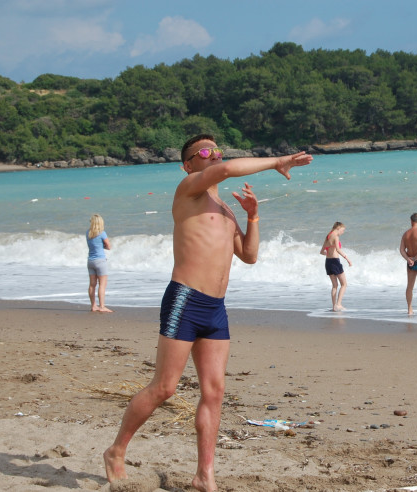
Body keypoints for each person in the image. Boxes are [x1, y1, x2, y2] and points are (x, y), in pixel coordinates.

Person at [103, 134, 313, 491]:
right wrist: (278, 162)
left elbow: (249, 255)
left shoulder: (226, 210)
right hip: (185, 300)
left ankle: (205, 475)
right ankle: (116, 450)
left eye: (217, 150)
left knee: (214, 392)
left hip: (215, 308)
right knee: (164, 388)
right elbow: (228, 170)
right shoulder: (188, 191)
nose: (214, 154)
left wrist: (253, 216)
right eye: (205, 151)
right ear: (188, 165)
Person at [400, 212, 417, 315]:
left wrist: (409, 259)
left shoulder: (406, 234)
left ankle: (410, 309)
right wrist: (415, 259)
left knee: (409, 286)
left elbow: (402, 250)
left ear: (411, 221)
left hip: (410, 262)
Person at [320, 221, 352, 311]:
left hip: (328, 262)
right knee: (344, 284)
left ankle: (334, 306)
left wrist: (329, 253)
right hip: (335, 262)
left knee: (334, 285)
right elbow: (338, 249)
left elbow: (322, 252)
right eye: (342, 230)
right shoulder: (336, 237)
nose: (343, 232)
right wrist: (347, 259)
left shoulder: (328, 236)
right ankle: (338, 304)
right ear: (338, 228)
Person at [86, 214, 113, 313]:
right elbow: (108, 246)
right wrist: (103, 246)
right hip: (100, 261)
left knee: (92, 285)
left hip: (90, 261)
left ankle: (93, 306)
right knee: (102, 284)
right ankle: (102, 306)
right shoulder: (102, 233)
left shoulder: (88, 233)